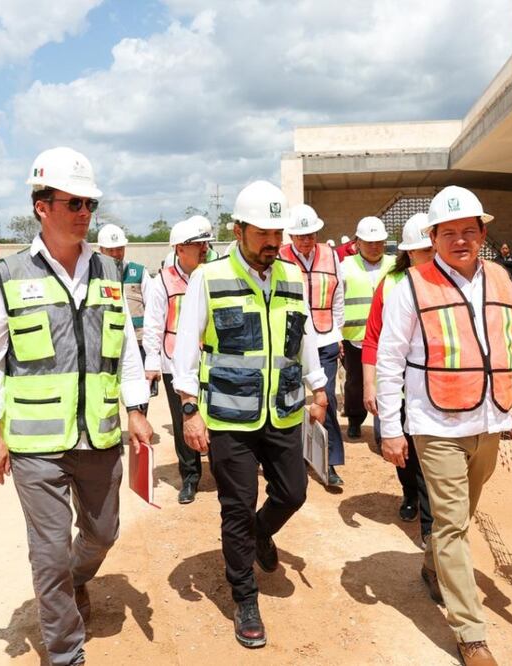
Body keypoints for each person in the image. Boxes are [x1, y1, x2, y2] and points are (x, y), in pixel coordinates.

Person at [0, 146, 153, 666]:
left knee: (102, 533)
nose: (84, 213)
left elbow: (126, 354)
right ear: (41, 206)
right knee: (47, 551)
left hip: (99, 437)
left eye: (89, 204)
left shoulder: (110, 273)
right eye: (72, 202)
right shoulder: (7, 277)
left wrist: (136, 408)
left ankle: (77, 580)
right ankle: (66, 652)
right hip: (36, 446)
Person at [376, 186, 512, 666]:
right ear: (433, 237)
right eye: (449, 232)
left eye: (469, 231)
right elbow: (389, 361)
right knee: (454, 522)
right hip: (434, 424)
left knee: (462, 515)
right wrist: (391, 429)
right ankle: (470, 634)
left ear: (482, 233)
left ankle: (432, 566)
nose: (460, 240)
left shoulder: (503, 280)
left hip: (490, 419)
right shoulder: (409, 288)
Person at [172, 180, 328, 649]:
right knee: (235, 507)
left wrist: (318, 388)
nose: (273, 244)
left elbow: (304, 339)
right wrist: (188, 410)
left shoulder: (291, 278)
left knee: (294, 492)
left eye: (277, 234)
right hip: (228, 418)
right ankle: (245, 597)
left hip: (281, 411)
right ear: (238, 230)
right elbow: (185, 350)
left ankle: (262, 532)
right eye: (263, 233)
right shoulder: (209, 277)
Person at [362, 213, 434, 544]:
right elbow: (373, 339)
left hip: (441, 390)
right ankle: (410, 495)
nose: (431, 256)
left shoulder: (455, 283)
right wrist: (370, 384)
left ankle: (433, 527)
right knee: (406, 455)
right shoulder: (391, 285)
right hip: (401, 387)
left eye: (433, 248)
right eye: (423, 251)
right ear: (408, 253)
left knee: (432, 461)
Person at [143, 218, 213, 504]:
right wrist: (152, 362)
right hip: (176, 363)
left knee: (216, 416)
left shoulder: (211, 274)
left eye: (205, 244)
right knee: (183, 417)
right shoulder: (162, 281)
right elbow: (154, 323)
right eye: (198, 245)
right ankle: (190, 475)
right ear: (180, 249)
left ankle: (223, 468)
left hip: (209, 360)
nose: (204, 249)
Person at [278, 204, 346, 487]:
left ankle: (329, 461)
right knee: (288, 401)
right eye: (299, 235)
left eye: (309, 234)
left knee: (325, 397)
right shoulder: (280, 258)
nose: (305, 240)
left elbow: (339, 294)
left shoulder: (331, 256)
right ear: (291, 236)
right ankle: (293, 458)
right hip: (289, 342)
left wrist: (338, 331)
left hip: (325, 337)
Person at [340, 216, 394, 441]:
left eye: (379, 242)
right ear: (357, 242)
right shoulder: (345, 266)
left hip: (388, 338)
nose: (374, 246)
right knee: (355, 383)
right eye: (369, 242)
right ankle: (354, 419)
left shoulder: (395, 264)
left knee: (387, 383)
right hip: (355, 339)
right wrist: (337, 335)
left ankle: (385, 428)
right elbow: (337, 302)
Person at [97, 223, 156, 400]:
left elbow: (153, 310)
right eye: (111, 250)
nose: (116, 254)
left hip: (138, 343)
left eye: (119, 249)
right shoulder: (94, 274)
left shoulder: (138, 272)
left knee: (140, 395)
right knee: (106, 393)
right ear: (101, 250)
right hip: (106, 346)